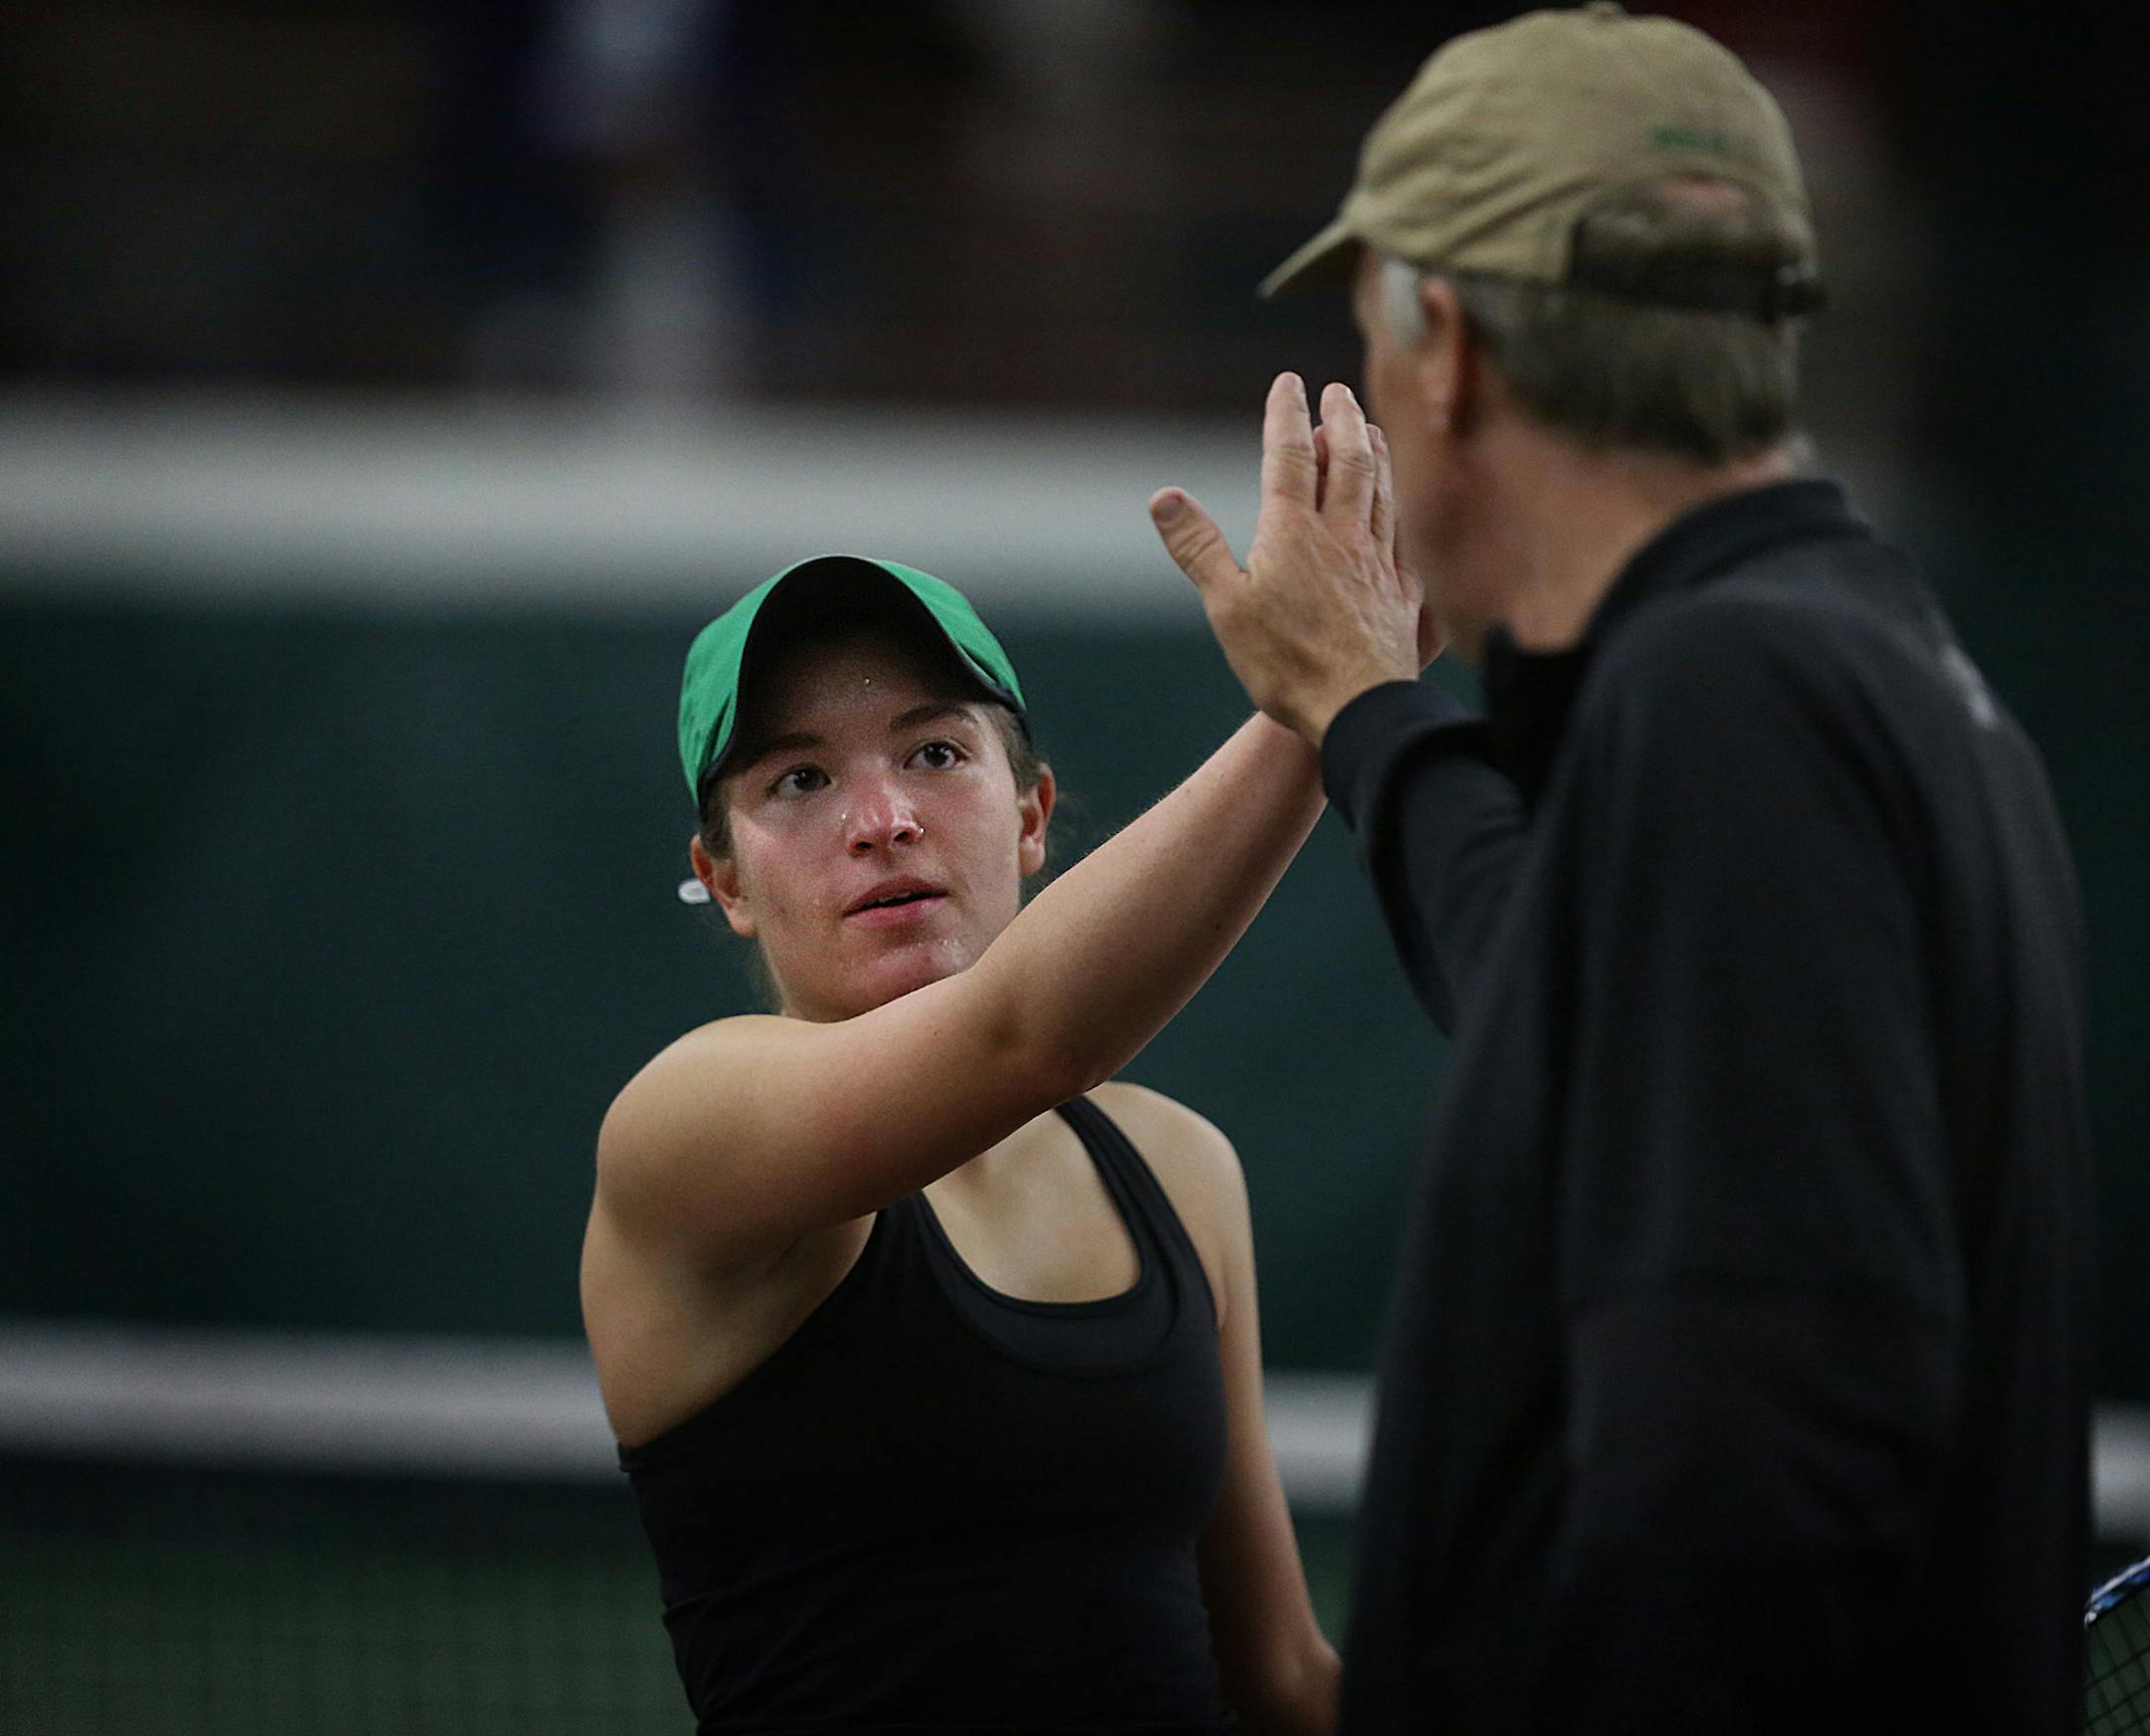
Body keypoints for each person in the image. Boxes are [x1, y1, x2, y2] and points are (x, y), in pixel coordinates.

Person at [1147, 7, 2091, 1733]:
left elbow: (1740, 1482)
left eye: (1370, 321)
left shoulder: (1728, 697)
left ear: (1447, 346)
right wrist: (1370, 715)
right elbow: (1608, 1045)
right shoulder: (1866, 667)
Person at [582, 550, 1371, 1732]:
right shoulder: (681, 1125)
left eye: (935, 754)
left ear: (1033, 814)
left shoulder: (1182, 1170)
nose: (884, 820)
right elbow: (1027, 1040)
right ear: (727, 880)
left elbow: (1281, 1682)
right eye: (798, 779)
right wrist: (1319, 714)